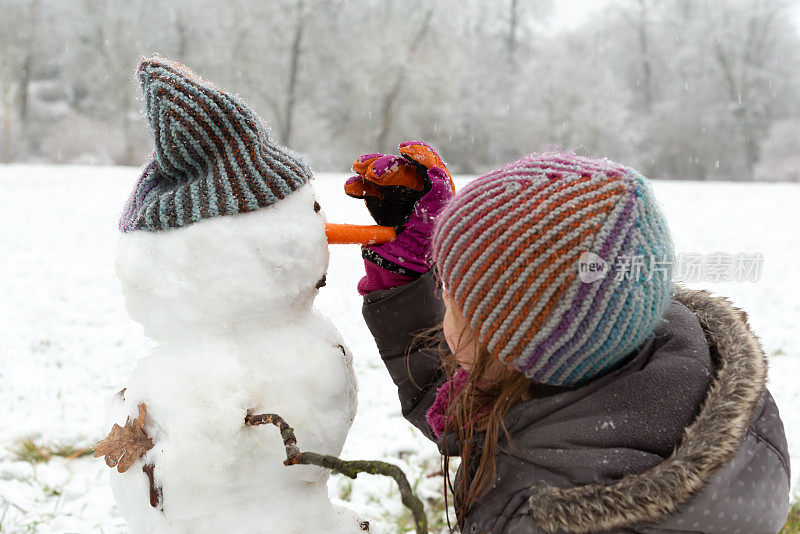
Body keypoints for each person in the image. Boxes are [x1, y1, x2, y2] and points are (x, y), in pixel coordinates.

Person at [344, 141, 791, 534]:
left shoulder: (541, 514)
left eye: (452, 299)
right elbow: (474, 397)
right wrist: (406, 279)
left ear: (514, 344)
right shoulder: (636, 356)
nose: (442, 308)